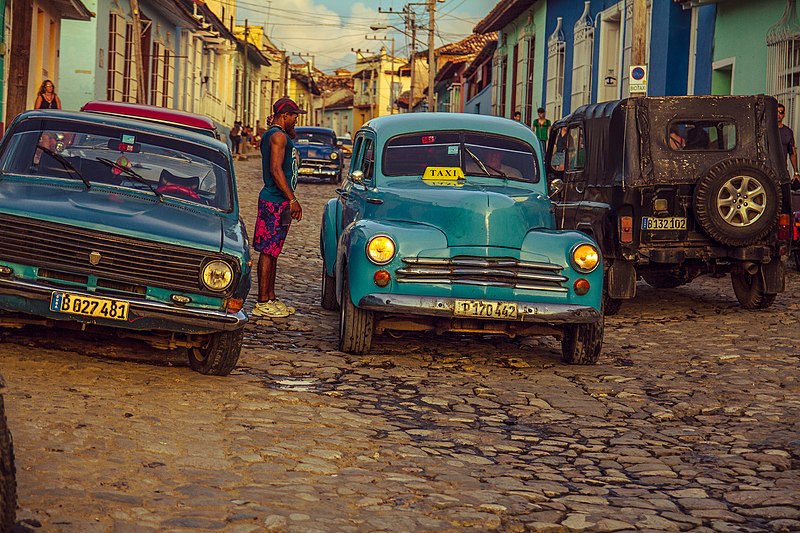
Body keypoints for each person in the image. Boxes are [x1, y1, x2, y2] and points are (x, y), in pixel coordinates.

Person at [251, 96, 305, 318]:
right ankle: (263, 300)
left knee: (274, 251)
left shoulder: (280, 135)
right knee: (267, 251)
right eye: (294, 116)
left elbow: (289, 139)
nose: (295, 121)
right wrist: (292, 199)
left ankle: (271, 297)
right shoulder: (277, 137)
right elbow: (275, 169)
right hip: (274, 200)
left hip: (278, 201)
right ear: (285, 115)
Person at [777, 103, 800, 189]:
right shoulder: (765, 130)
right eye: (776, 112)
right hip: (767, 169)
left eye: (781, 112)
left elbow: (792, 152)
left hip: (782, 170)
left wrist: (796, 173)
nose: (778, 114)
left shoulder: (788, 132)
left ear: (784, 115)